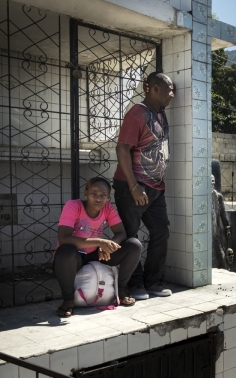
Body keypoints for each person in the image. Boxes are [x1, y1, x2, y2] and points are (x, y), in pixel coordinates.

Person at [113, 72, 174, 299]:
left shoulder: (160, 114)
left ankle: (153, 282)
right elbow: (122, 149)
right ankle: (134, 285)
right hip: (133, 187)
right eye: (169, 89)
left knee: (161, 231)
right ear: (154, 88)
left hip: (156, 188)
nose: (172, 94)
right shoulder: (137, 113)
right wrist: (133, 186)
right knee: (131, 236)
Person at [54, 177, 141, 317]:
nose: (98, 198)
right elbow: (64, 238)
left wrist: (106, 246)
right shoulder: (73, 206)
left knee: (134, 245)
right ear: (86, 193)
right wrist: (100, 242)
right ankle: (68, 299)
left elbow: (121, 233)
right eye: (93, 193)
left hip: (96, 254)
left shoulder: (107, 208)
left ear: (107, 197)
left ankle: (121, 290)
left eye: (103, 195)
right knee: (65, 251)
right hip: (74, 257)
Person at [212, 175, 232, 269]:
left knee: (220, 254)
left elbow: (223, 213)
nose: (211, 185)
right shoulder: (202, 197)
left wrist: (227, 227)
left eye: (213, 183)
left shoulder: (218, 196)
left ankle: (223, 270)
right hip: (206, 232)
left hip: (216, 231)